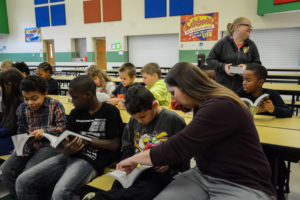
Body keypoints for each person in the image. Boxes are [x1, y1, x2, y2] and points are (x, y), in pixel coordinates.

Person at [117, 62, 276, 200]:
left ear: (186, 86)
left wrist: (133, 159)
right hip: (203, 174)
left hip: (242, 182)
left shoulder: (221, 105)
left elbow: (179, 147)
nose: (172, 99)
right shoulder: (202, 105)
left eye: (173, 93)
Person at [15, 75, 124, 200]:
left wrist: (86, 140)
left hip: (92, 160)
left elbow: (115, 144)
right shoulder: (75, 113)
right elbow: (68, 140)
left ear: (88, 95)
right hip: (69, 155)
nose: (72, 102)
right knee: (23, 181)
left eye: (75, 98)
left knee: (60, 194)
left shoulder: (110, 111)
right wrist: (67, 148)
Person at [88, 85, 188, 200]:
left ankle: (97, 198)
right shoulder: (134, 120)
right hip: (136, 168)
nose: (140, 121)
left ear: (154, 105)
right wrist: (126, 162)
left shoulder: (173, 120)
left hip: (161, 173)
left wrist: (169, 164)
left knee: (145, 192)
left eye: (143, 117)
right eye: (136, 118)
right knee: (118, 186)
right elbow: (128, 147)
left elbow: (184, 156)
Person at [1, 75, 67, 198]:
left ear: (44, 93)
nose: (30, 103)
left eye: (34, 98)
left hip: (49, 145)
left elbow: (63, 128)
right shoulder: (22, 108)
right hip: (30, 144)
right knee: (6, 170)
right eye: (26, 99)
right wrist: (20, 144)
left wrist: (45, 131)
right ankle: (19, 196)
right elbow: (21, 129)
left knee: (27, 174)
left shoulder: (55, 105)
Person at [237, 64, 292, 200]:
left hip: (270, 136)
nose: (244, 83)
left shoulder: (272, 95)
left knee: (272, 156)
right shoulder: (240, 93)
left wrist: (274, 110)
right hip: (248, 136)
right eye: (243, 79)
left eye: (248, 80)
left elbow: (288, 113)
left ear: (260, 82)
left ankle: (276, 186)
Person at [207, 17, 261, 92]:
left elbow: (258, 64)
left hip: (243, 89)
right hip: (223, 88)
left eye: (251, 26)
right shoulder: (223, 42)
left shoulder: (251, 45)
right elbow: (210, 60)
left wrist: (247, 66)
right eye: (248, 25)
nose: (250, 28)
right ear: (237, 27)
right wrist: (224, 67)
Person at [0, 68, 23, 155]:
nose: (1, 89)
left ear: (10, 85)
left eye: (2, 85)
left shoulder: (21, 104)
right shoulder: (12, 101)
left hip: (17, 141)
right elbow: (4, 124)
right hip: (10, 137)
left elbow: (9, 129)